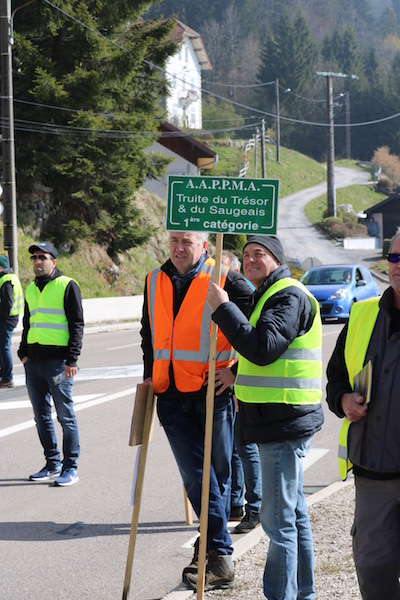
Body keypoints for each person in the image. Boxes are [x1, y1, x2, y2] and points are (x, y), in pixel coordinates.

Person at [206, 234, 324, 600]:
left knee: (278, 523)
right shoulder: (270, 294)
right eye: (246, 255)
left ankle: (281, 595)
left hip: (282, 423)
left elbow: (265, 348)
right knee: (293, 516)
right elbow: (270, 350)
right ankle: (303, 593)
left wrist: (224, 308)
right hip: (278, 419)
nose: (251, 260)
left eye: (260, 254)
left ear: (277, 260)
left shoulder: (287, 295)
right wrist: (236, 371)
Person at [140, 231, 252, 591]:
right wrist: (148, 373)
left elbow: (256, 329)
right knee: (197, 477)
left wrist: (236, 372)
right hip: (170, 397)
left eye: (186, 241)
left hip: (211, 393)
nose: (178, 248)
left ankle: (209, 548)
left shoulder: (226, 279)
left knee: (216, 476)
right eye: (174, 240)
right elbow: (148, 333)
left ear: (204, 245)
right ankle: (219, 554)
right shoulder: (154, 280)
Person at [326, 232, 400, 600]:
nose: (398, 266)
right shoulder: (363, 314)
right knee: (373, 571)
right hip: (373, 474)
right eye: (395, 257)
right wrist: (342, 400)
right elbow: (336, 376)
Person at [18, 241, 84, 487]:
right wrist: (23, 353)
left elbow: (77, 324)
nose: (37, 261)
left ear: (53, 262)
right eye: (34, 258)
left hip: (59, 364)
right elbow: (28, 323)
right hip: (33, 364)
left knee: (65, 417)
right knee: (41, 417)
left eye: (42, 257)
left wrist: (72, 359)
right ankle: (52, 463)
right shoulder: (30, 288)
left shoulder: (67, 285)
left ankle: (71, 467)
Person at [221, 251, 262, 533]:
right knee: (235, 447)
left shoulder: (244, 297)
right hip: (227, 382)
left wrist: (235, 375)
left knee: (246, 448)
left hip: (242, 382)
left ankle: (255, 507)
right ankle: (236, 503)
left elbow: (251, 342)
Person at [0, 254, 24, 388]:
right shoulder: (10, 277)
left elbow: (6, 304)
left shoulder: (6, 279)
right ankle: (4, 374)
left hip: (7, 318)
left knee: (4, 347)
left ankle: (7, 378)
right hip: (9, 317)